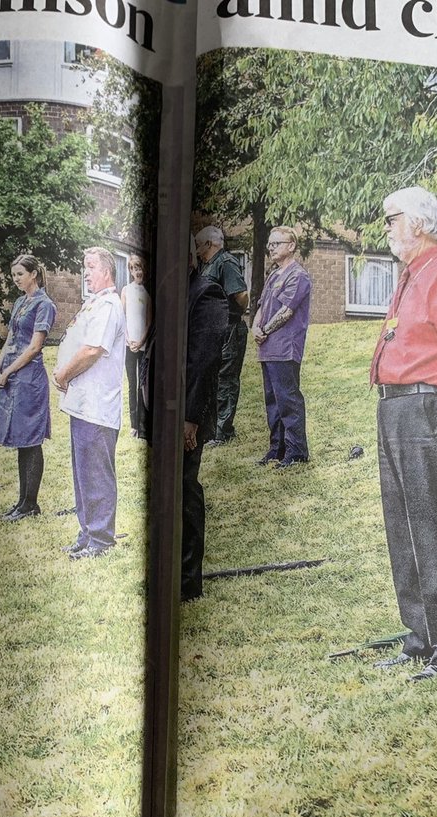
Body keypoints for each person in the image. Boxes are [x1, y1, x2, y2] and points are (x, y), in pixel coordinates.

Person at [369, 186, 437, 681]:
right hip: (395, 408)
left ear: (419, 223)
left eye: (392, 218)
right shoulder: (411, 277)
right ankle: (419, 636)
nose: (387, 227)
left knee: (432, 527)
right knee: (402, 527)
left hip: (425, 408)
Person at [53, 247, 126, 560]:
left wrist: (64, 375)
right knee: (83, 473)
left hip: (97, 406)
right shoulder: (95, 303)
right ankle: (87, 533)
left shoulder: (109, 305)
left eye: (91, 267)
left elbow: (93, 349)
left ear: (106, 270)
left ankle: (101, 539)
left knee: (96, 472)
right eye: (85, 267)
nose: (86, 272)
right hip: (82, 404)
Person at [182, 237, 230, 601]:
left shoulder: (206, 292)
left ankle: (188, 580)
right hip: (162, 410)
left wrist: (191, 418)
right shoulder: (170, 294)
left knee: (185, 489)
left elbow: (204, 360)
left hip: (186, 414)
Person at [0, 255, 56, 522]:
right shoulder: (20, 302)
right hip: (13, 375)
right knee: (21, 440)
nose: (16, 278)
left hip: (29, 379)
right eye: (14, 274)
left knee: (31, 440)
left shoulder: (45, 304)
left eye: (20, 274)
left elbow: (34, 346)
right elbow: (11, 337)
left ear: (33, 274)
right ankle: (22, 501)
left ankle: (31, 503)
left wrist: (9, 370)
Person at [251, 226, 312, 467]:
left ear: (291, 246)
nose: (271, 248)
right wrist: (255, 327)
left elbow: (286, 312)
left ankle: (296, 452)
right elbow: (260, 307)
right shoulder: (273, 275)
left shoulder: (297, 276)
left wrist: (264, 330)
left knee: (288, 400)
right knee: (272, 402)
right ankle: (277, 449)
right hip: (267, 348)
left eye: (277, 243)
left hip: (285, 348)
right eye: (270, 244)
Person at [196, 225, 250, 446]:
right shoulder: (208, 265)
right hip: (214, 331)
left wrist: (232, 315)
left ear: (209, 244)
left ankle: (223, 433)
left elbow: (241, 295)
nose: (197, 249)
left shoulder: (225, 262)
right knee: (214, 380)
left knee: (225, 380)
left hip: (229, 330)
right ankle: (215, 429)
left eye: (199, 244)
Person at [122, 253, 152, 439]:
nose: (137, 271)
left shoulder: (147, 293)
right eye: (133, 268)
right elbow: (122, 317)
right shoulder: (126, 290)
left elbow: (149, 321)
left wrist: (141, 341)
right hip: (128, 345)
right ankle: (133, 424)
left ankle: (142, 425)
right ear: (131, 271)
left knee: (142, 386)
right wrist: (127, 339)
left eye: (139, 268)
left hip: (142, 345)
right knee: (132, 384)